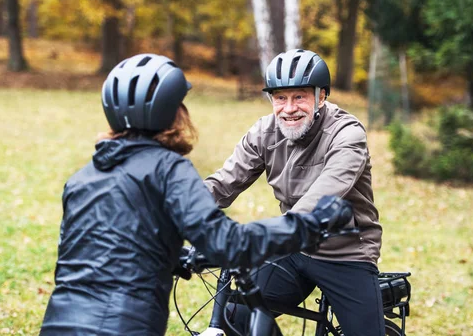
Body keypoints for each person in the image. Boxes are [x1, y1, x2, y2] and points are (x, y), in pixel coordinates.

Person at [39, 53, 351, 336]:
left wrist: (175, 256)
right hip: (125, 324)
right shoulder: (168, 169)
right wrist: (312, 223)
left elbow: (101, 250)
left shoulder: (82, 179)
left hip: (58, 322)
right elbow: (231, 243)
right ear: (172, 112)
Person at [204, 49, 384, 336]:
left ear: (321, 96)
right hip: (292, 249)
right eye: (280, 98)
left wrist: (271, 233)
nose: (289, 108)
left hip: (345, 253)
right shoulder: (264, 132)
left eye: (299, 96)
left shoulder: (347, 133)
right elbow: (224, 182)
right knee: (236, 318)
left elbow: (325, 196)